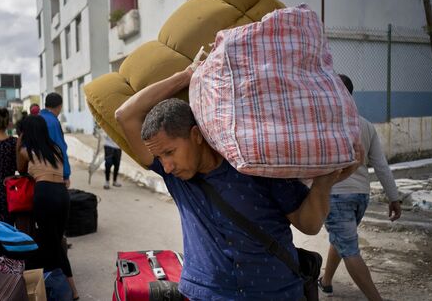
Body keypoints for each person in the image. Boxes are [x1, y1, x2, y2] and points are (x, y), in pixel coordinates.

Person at [115, 66, 359, 300]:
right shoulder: (176, 178)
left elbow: (309, 224)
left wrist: (325, 182)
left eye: (170, 152)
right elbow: (125, 115)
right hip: (206, 294)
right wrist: (186, 76)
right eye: (159, 157)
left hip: (274, 293)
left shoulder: (253, 165)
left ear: (196, 135)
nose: (166, 166)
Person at [318, 75, 402, 301]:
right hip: (361, 197)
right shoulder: (365, 124)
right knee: (342, 240)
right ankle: (326, 282)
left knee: (349, 249)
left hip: (335, 196)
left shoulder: (324, 124)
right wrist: (394, 198)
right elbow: (381, 166)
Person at [16, 115, 78, 300]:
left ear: (27, 133)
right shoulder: (55, 149)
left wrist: (19, 143)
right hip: (62, 195)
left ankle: (71, 290)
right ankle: (61, 286)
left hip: (45, 195)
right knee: (56, 241)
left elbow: (20, 169)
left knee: (50, 244)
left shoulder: (27, 151)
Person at [40, 93, 71, 187]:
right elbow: (60, 148)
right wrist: (66, 175)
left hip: (35, 171)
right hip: (52, 173)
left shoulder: (36, 118)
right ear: (59, 106)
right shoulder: (53, 122)